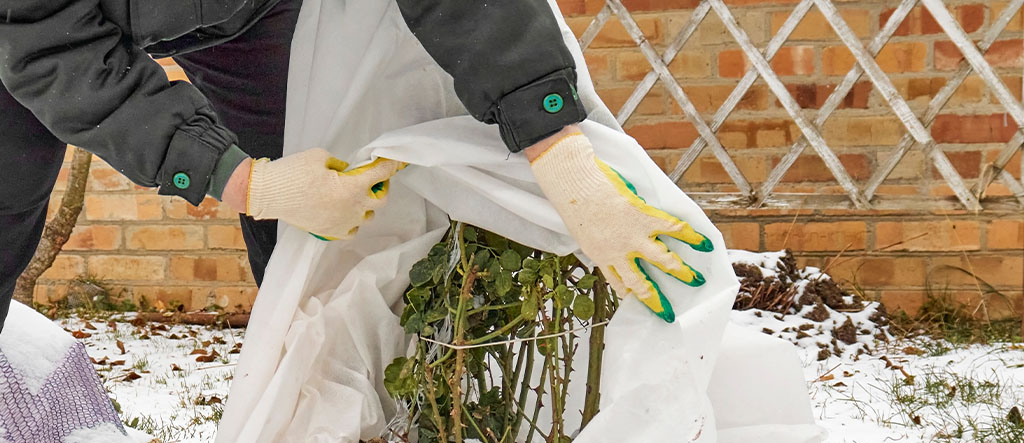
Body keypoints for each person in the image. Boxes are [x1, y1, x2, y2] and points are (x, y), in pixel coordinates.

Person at [0, 0, 711, 333]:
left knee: (312, 200)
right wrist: (247, 182)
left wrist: (559, 153)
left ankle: (327, 401)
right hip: (36, 28)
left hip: (249, 14)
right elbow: (46, 47)